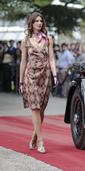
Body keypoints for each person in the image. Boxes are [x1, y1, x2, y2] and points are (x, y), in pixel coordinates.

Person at [19, 12, 58, 154]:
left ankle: (35, 135)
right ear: (31, 23)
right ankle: (41, 141)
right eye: (36, 21)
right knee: (34, 107)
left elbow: (52, 59)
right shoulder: (25, 40)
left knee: (41, 109)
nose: (39, 23)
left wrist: (55, 75)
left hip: (45, 75)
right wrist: (21, 80)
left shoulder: (48, 39)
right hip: (31, 75)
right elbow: (23, 62)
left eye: (41, 20)